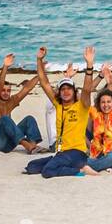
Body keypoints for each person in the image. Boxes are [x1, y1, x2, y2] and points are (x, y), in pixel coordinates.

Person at [28, 47, 94, 178]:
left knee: (47, 171)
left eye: (69, 89)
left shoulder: (82, 106)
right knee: (31, 167)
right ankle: (71, 167)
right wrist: (39, 60)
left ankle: (79, 171)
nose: (66, 91)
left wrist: (89, 66)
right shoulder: (58, 105)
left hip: (77, 152)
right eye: (63, 89)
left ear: (74, 92)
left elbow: (87, 89)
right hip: (61, 153)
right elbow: (44, 82)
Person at [0, 53, 42, 153]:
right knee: (5, 119)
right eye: (3, 90)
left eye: (8, 91)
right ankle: (26, 145)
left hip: (7, 145)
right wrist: (5, 66)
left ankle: (33, 146)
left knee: (29, 119)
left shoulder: (11, 101)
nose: (6, 93)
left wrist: (41, 72)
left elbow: (26, 88)